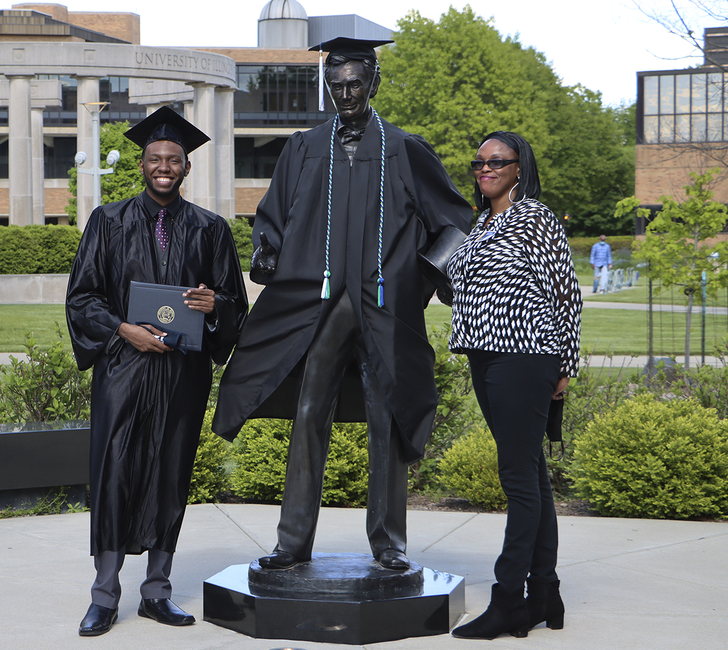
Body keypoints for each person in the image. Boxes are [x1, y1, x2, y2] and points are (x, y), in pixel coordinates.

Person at [213, 36, 473, 572]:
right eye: (336, 86)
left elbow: (453, 224)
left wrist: (419, 276)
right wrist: (267, 251)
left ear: (373, 83)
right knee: (309, 412)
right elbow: (273, 217)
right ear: (326, 88)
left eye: (356, 83)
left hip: (383, 306)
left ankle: (389, 543)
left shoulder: (406, 149)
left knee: (388, 418)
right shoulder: (304, 147)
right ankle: (292, 542)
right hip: (322, 303)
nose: (346, 93)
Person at [66, 107, 248, 637]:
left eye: (173, 159)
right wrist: (124, 330)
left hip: (182, 374)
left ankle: (156, 592)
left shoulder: (211, 229)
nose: (163, 166)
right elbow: (82, 297)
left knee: (171, 473)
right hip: (123, 368)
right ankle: (104, 593)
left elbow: (234, 303)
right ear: (142, 165)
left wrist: (216, 305)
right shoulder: (109, 221)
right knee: (113, 470)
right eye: (154, 158)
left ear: (186, 167)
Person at [447, 132, 581, 639]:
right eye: (479, 161)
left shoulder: (536, 219)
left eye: (497, 161)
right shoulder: (484, 221)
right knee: (532, 475)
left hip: (525, 357)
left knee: (518, 481)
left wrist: (564, 367)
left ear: (519, 166)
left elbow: (566, 296)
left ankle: (509, 599)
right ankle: (545, 593)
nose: (485, 168)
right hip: (487, 358)